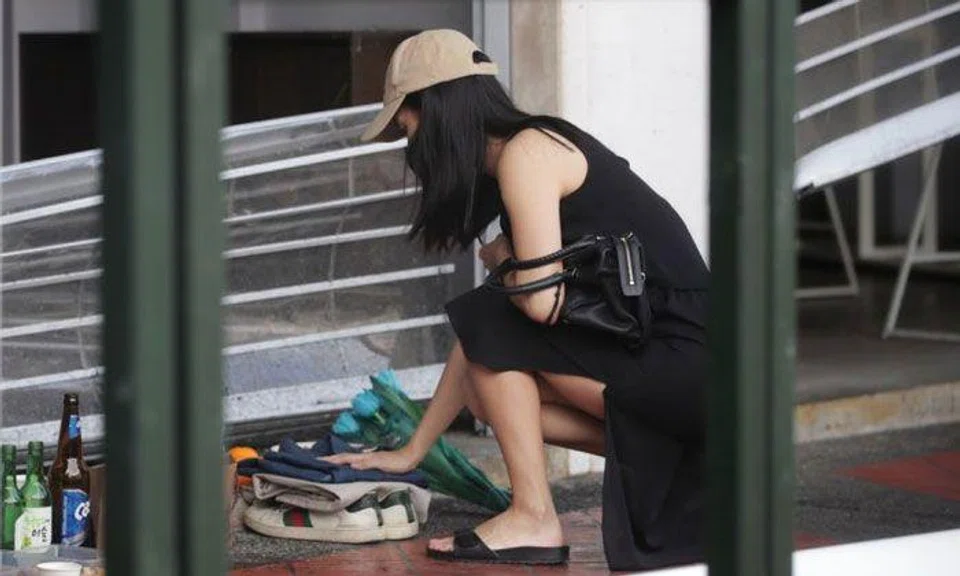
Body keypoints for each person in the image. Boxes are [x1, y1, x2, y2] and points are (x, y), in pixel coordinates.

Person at [325, 29, 709, 571]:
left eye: (406, 127)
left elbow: (536, 307)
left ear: (437, 110)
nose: (410, 148)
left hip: (689, 361)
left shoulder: (528, 153)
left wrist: (507, 259)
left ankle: (534, 516)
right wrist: (411, 452)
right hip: (685, 370)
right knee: (489, 393)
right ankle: (673, 454)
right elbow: (488, 336)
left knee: (494, 320)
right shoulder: (524, 152)